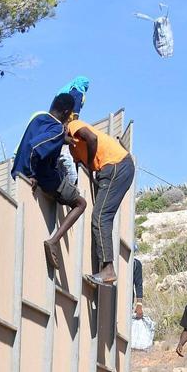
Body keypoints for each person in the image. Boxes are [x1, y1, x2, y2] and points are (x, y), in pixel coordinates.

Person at [10, 93, 88, 270]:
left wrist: (65, 140)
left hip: (18, 171)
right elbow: (35, 147)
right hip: (43, 177)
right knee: (81, 203)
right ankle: (53, 241)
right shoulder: (58, 129)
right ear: (67, 112)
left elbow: (35, 140)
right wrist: (31, 174)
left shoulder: (39, 118)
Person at [61, 114, 136, 287]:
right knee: (102, 216)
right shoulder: (73, 148)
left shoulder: (73, 125)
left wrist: (89, 163)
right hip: (116, 167)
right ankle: (106, 268)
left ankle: (108, 269)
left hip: (116, 165)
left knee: (101, 217)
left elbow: (92, 138)